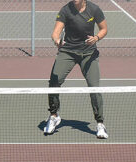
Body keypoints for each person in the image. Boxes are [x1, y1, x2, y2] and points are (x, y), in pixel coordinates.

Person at [44, 0, 108, 139]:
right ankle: (54, 116)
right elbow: (55, 33)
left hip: (88, 53)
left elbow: (104, 29)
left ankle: (100, 123)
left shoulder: (94, 9)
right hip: (68, 52)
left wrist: (96, 38)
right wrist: (57, 41)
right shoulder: (66, 10)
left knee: (94, 87)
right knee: (54, 82)